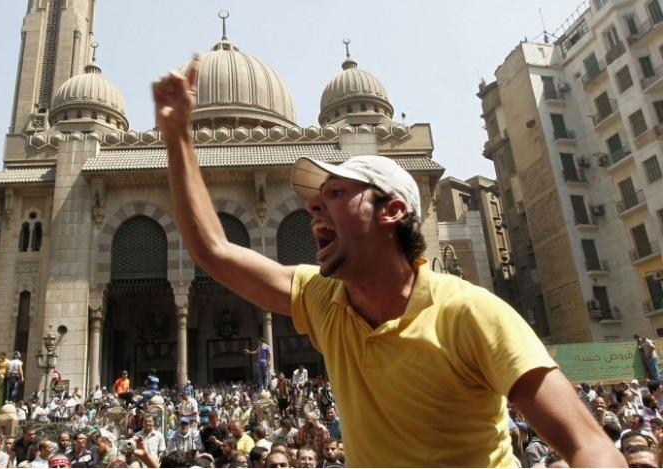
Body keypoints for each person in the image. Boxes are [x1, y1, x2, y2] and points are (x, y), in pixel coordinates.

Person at [152, 58, 626, 467]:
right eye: (314, 203)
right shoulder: (326, 300)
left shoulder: (468, 314)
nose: (315, 209)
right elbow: (213, 250)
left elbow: (592, 446)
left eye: (335, 194)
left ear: (393, 209)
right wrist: (178, 137)